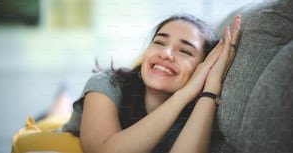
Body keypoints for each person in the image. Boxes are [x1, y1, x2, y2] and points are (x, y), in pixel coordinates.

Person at [60, 13, 241, 153]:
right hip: (56, 131)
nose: (166, 54)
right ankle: (62, 95)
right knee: (59, 110)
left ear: (203, 69)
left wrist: (210, 89)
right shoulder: (107, 83)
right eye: (160, 42)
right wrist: (183, 94)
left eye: (185, 51)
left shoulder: (192, 118)